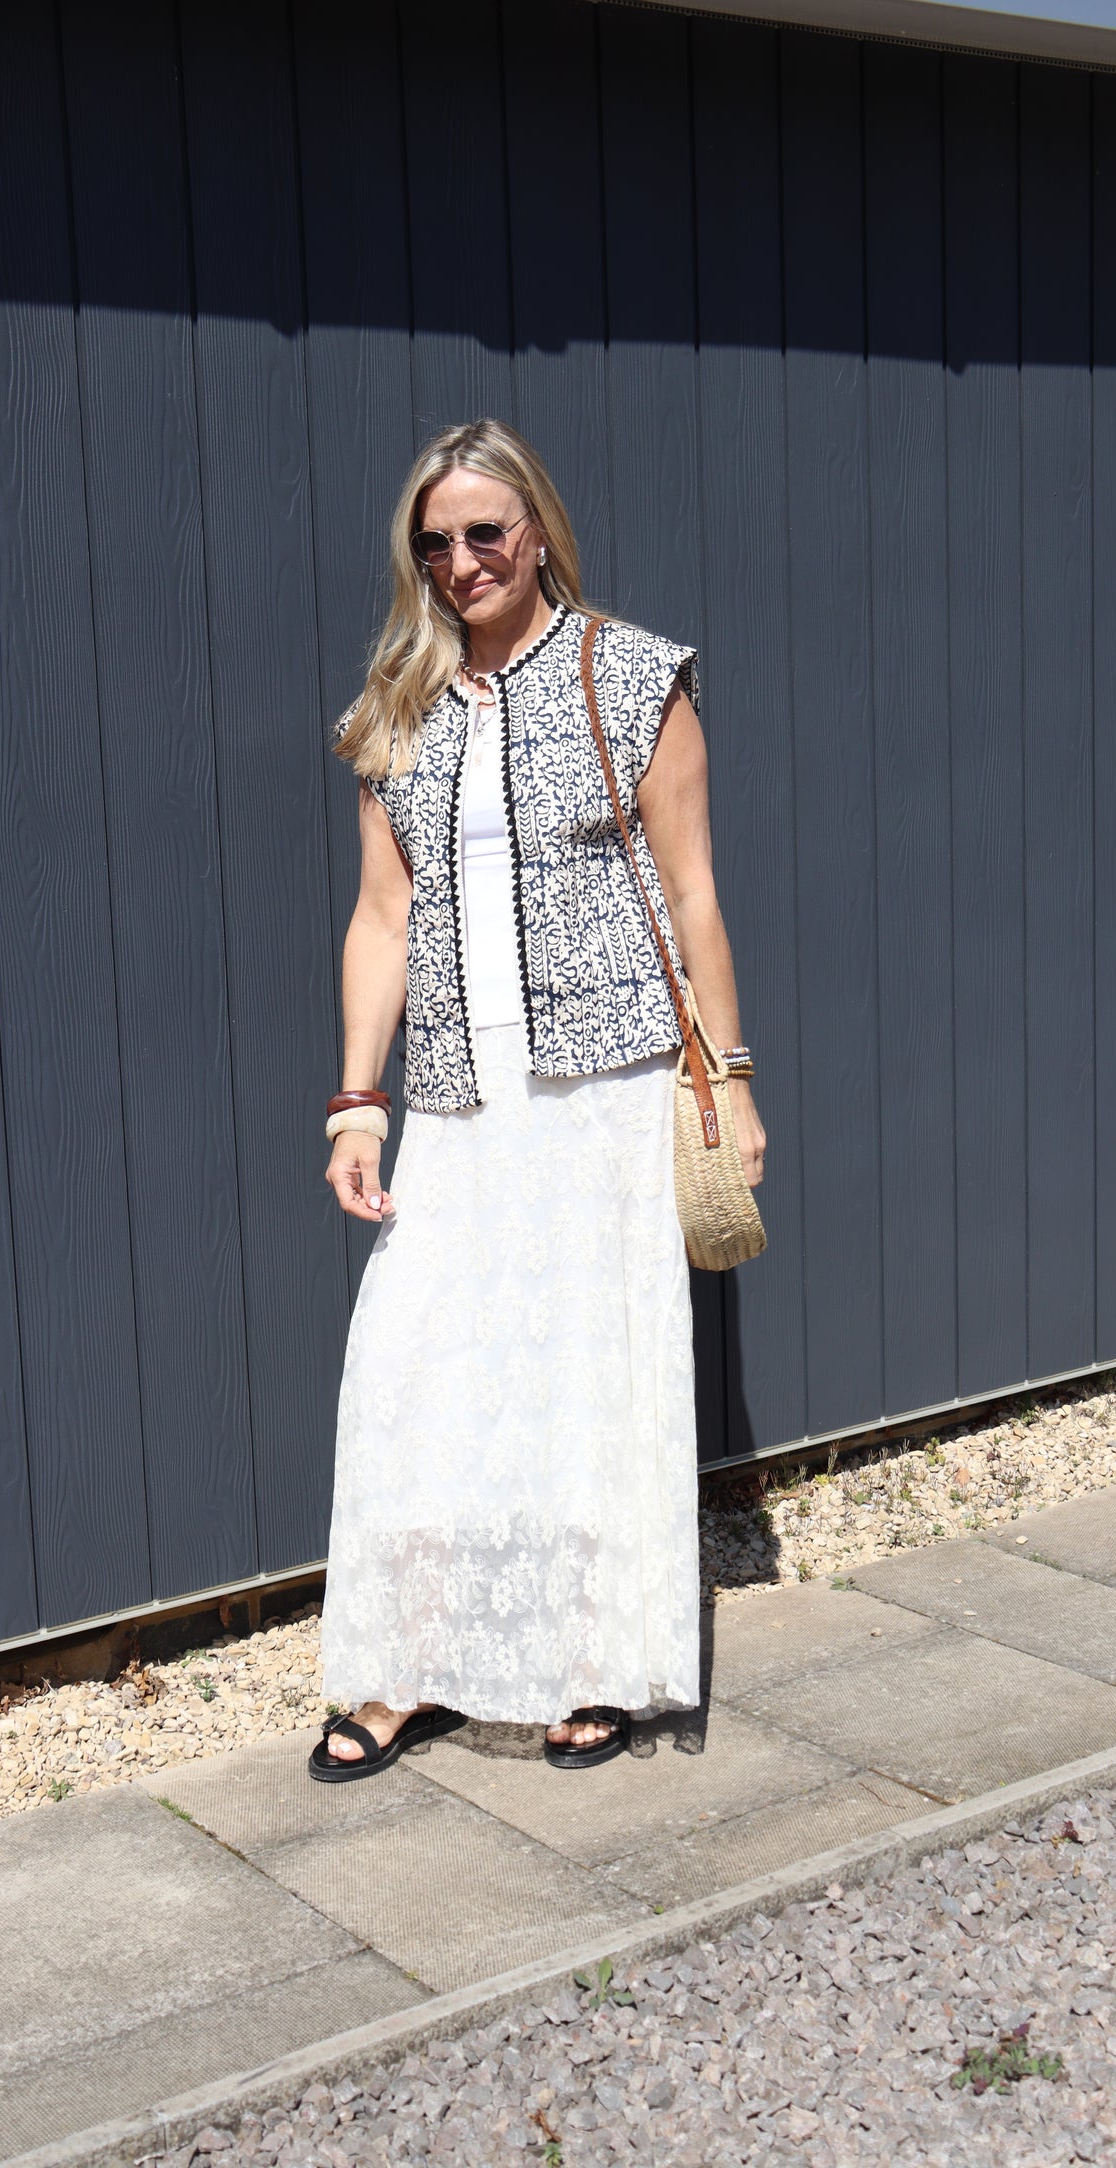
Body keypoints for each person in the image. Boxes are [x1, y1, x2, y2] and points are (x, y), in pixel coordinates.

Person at [311, 418, 765, 1781]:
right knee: (417, 1367)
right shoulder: (397, 705)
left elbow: (690, 890)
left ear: (537, 531)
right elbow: (381, 917)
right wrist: (357, 1100)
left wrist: (728, 1079)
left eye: (483, 532)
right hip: (455, 1093)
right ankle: (409, 1663)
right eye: (434, 543)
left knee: (588, 1375)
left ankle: (592, 1661)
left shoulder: (631, 676)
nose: (461, 562)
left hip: (605, 1087)